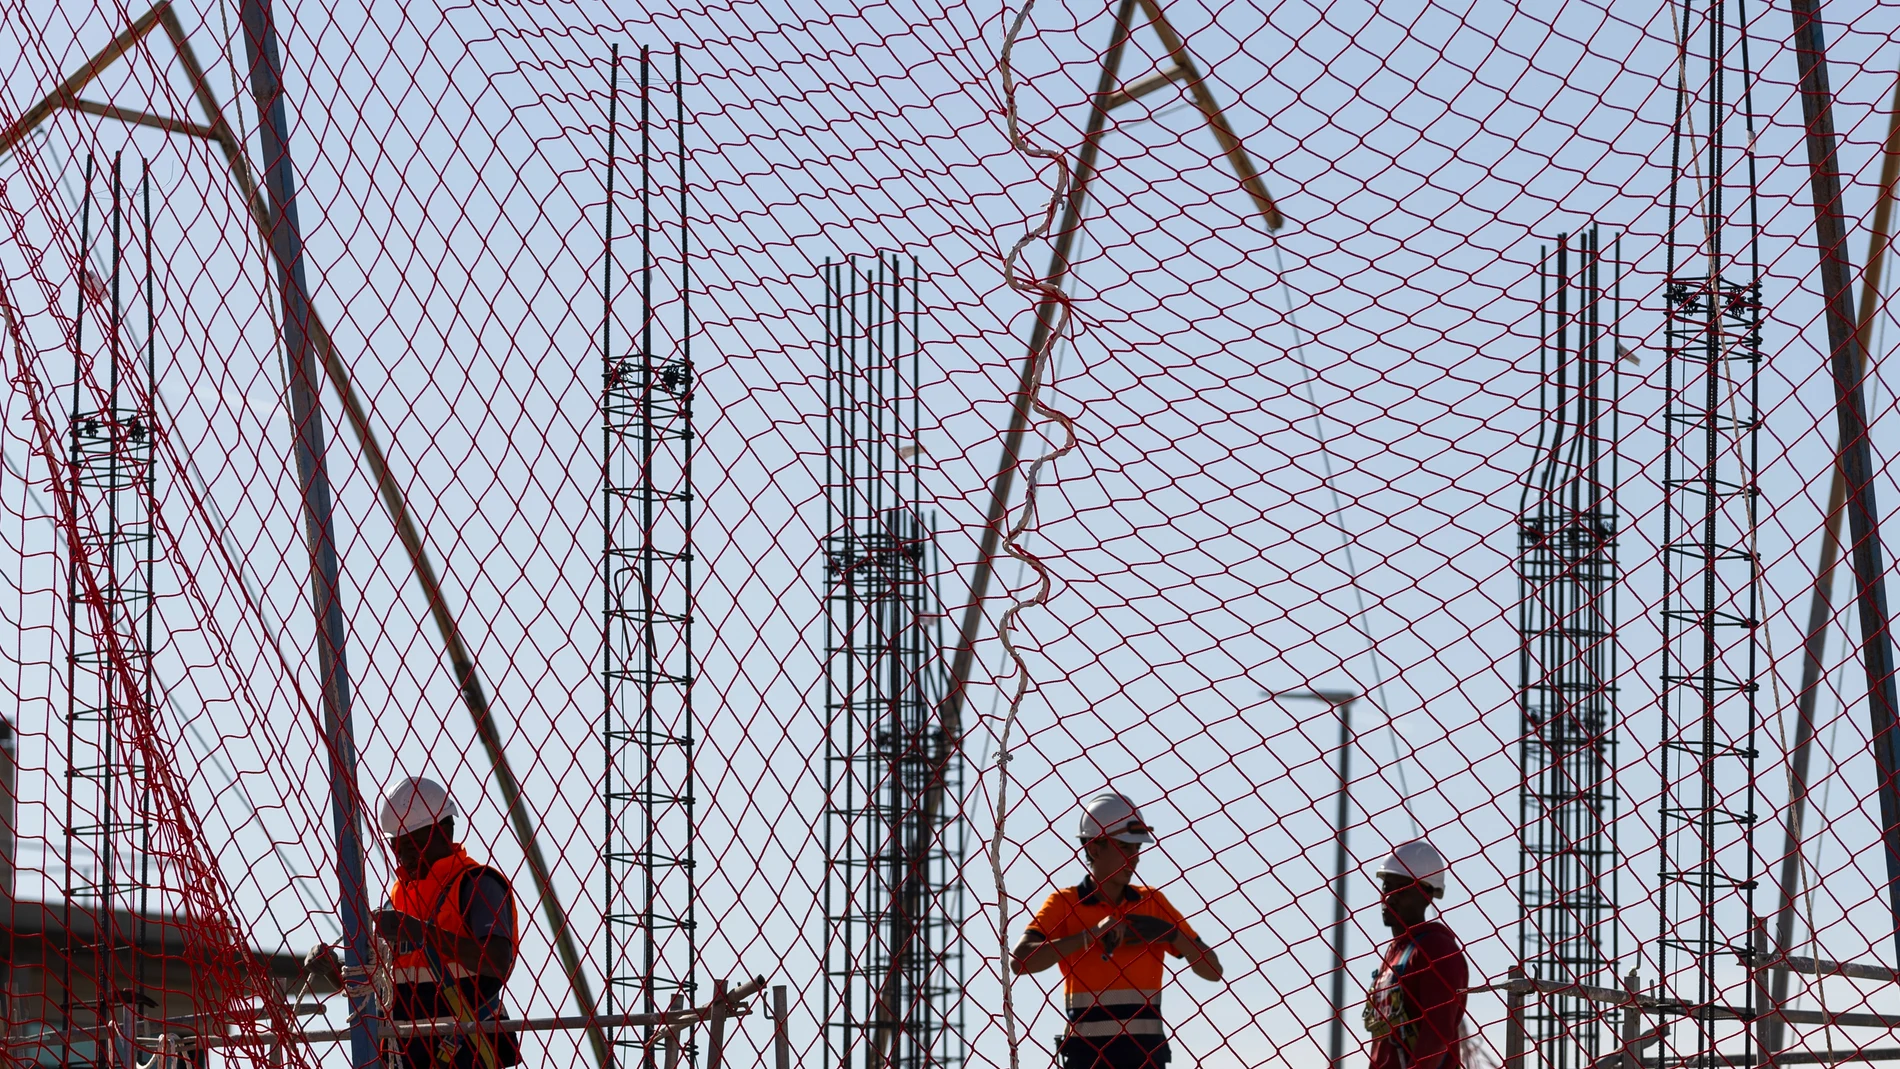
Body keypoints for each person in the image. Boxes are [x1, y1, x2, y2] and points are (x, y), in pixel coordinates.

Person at [308, 775, 521, 1069]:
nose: (403, 857)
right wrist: (335, 972)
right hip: (405, 1057)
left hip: (468, 1054)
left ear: (444, 833)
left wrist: (419, 931)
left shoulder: (477, 885)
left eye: (413, 846)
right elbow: (379, 994)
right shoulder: (396, 901)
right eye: (397, 847)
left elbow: (497, 960)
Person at [1011, 791, 1223, 1069]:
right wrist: (1088, 937)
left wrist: (1172, 934)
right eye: (1125, 847)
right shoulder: (1064, 904)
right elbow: (1020, 961)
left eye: (1137, 849)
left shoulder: (1153, 903)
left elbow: (1213, 971)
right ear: (1094, 848)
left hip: (1145, 1058)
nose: (1134, 858)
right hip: (1088, 1058)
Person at [1362, 839, 1468, 1069]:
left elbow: (1437, 1035)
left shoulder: (1436, 948)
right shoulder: (1395, 953)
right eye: (1386, 887)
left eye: (1401, 889)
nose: (1389, 897)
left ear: (1427, 895)